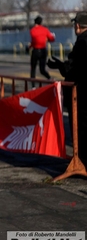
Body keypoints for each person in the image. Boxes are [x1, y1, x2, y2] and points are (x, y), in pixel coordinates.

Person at [47, 11, 87, 167]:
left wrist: (60, 66)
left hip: (81, 93)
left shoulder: (82, 41)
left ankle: (82, 163)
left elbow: (75, 69)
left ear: (77, 25)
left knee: (81, 129)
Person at [29, 15, 55, 87]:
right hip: (43, 50)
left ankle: (33, 86)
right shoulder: (45, 30)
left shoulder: (32, 30)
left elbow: (33, 41)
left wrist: (29, 47)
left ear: (35, 22)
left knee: (33, 69)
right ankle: (50, 79)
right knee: (42, 69)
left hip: (35, 51)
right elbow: (51, 39)